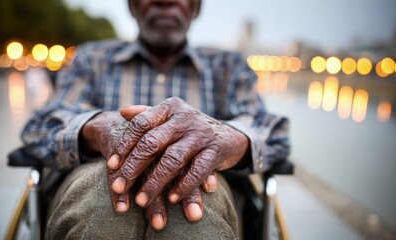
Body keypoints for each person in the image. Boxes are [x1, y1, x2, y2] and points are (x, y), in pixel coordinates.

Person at [21, 0, 290, 239]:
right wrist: (98, 127)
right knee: (105, 200)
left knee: (194, 212)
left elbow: (272, 132)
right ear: (132, 5)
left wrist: (223, 138)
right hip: (94, 179)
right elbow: (40, 127)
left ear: (196, 7)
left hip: (209, 187)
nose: (165, 1)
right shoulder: (92, 59)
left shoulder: (228, 66)